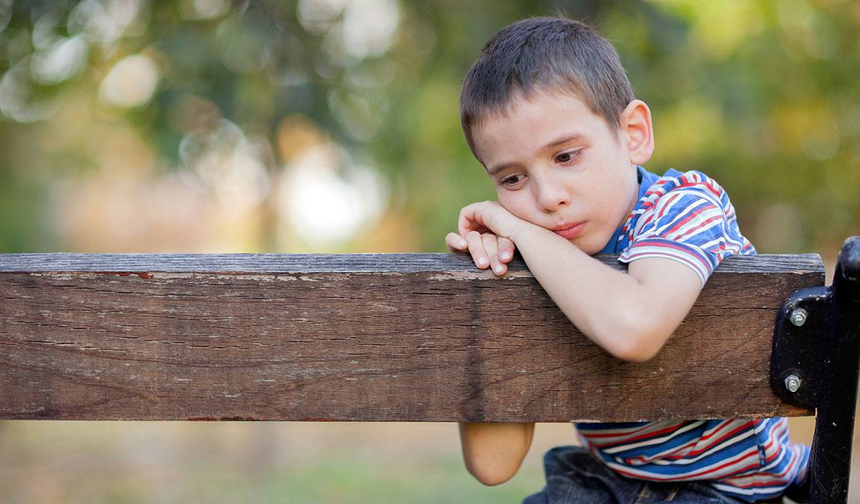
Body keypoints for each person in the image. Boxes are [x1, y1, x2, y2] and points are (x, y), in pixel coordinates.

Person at [444, 16, 810, 504]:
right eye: (512, 180)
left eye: (566, 156)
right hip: (601, 482)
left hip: (727, 488)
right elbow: (494, 465)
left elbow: (634, 327)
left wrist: (520, 231)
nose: (547, 198)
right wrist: (491, 284)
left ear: (633, 133)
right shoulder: (535, 250)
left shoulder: (684, 204)